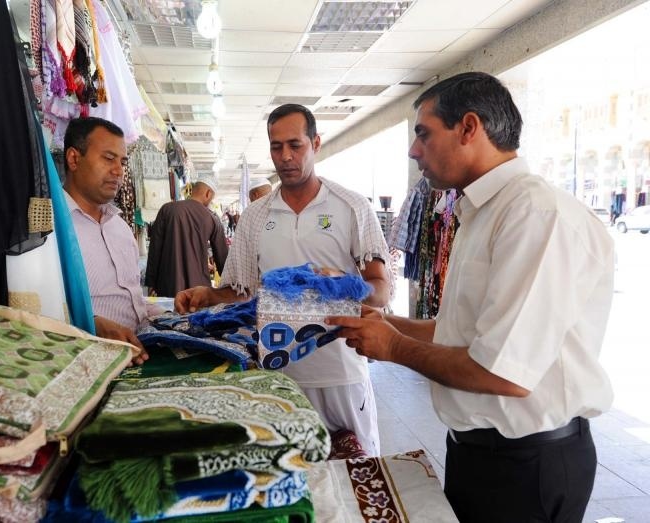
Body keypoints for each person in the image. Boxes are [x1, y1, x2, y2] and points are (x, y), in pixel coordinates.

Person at [326, 72, 614, 522]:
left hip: (527, 466)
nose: (413, 149)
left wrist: (394, 347)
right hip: (479, 452)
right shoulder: (481, 211)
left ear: (469, 128)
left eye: (423, 133)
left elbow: (503, 371)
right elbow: (463, 330)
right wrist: (384, 322)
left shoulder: (535, 215)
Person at [175, 104, 394, 456]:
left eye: (295, 145)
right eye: (276, 147)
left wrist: (341, 285)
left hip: (341, 372)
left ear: (316, 143)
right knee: (291, 477)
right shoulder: (255, 216)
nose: (285, 156)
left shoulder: (351, 207)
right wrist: (209, 295)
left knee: (354, 478)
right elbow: (241, 290)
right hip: (278, 373)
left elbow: (380, 291)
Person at [63, 116, 150, 366]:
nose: (119, 171)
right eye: (108, 158)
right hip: (84, 362)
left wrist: (168, 311)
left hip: (137, 353)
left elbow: (132, 300)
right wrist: (92, 324)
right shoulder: (50, 228)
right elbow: (33, 307)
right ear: (74, 159)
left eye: (122, 162)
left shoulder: (120, 227)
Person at [144, 178, 229, 297]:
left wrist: (151, 283)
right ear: (208, 193)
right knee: (198, 315)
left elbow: (155, 249)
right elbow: (223, 257)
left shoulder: (167, 209)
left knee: (169, 315)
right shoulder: (212, 218)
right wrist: (229, 288)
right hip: (199, 289)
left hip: (168, 286)